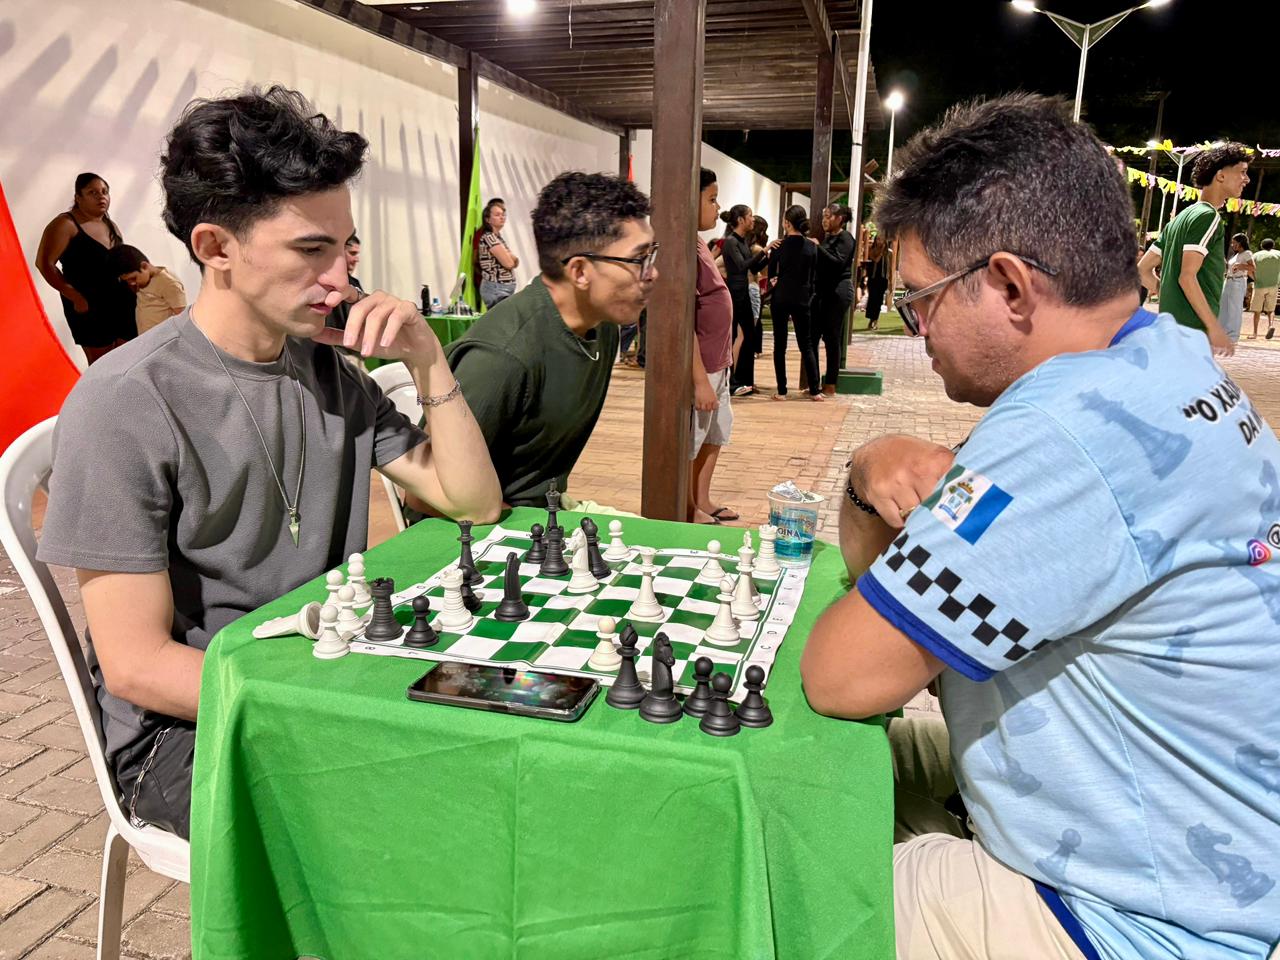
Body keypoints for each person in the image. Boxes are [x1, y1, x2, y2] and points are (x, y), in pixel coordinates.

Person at [800, 93, 1279, 960]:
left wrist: (870, 471)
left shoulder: (1067, 433)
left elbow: (840, 675)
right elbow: (894, 569)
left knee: (779, 870)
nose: (919, 330)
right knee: (839, 767)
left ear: (1011, 285)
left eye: (921, 301)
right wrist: (872, 470)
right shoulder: (1161, 355)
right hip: (1196, 836)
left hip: (1147, 919)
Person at [35, 86, 501, 840]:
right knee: (435, 818)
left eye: (346, 248)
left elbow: (474, 503)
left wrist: (427, 358)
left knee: (502, 764)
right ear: (216, 248)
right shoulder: (124, 400)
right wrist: (342, 691)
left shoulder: (327, 370)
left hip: (315, 678)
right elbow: (136, 666)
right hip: (183, 735)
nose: (342, 280)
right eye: (311, 251)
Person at [445, 172, 654, 508]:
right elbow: (427, 496)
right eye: (639, 259)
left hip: (548, 514)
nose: (652, 273)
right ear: (581, 272)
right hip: (491, 535)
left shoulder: (602, 328)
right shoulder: (502, 357)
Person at [1138, 142, 1251, 357]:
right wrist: (1214, 328)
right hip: (1192, 332)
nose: (1246, 179)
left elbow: (1141, 271)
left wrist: (1172, 298)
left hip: (1173, 330)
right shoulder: (1208, 217)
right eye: (1242, 172)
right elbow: (1187, 277)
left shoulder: (1180, 219)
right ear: (1221, 176)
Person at [34, 172, 137, 364]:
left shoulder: (111, 225)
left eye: (104, 192)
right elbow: (44, 263)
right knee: (101, 362)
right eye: (92, 192)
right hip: (88, 303)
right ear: (78, 198)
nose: (101, 197)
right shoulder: (66, 224)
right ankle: (99, 395)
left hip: (121, 301)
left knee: (126, 357)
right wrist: (73, 295)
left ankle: (124, 394)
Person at [688, 168, 738, 524]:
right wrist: (699, 380)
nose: (717, 207)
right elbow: (682, 321)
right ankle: (686, 505)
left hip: (717, 360)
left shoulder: (699, 243)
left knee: (716, 432)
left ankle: (701, 498)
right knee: (692, 439)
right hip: (702, 365)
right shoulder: (683, 250)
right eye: (711, 198)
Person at [766, 205, 823, 401]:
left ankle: (782, 391)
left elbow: (772, 272)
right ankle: (815, 390)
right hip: (802, 298)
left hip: (781, 297)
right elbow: (814, 274)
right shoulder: (811, 246)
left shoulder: (779, 246)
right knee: (806, 344)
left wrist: (778, 282)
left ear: (787, 223)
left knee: (779, 344)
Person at [720, 204, 767, 397]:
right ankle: (732, 382)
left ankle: (746, 380)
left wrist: (769, 256)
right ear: (740, 220)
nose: (753, 220)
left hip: (743, 292)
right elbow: (740, 267)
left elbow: (753, 270)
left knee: (749, 336)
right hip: (735, 293)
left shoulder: (742, 242)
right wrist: (764, 252)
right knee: (735, 337)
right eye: (750, 216)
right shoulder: (731, 242)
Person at [812, 203, 857, 393]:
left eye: (828, 216)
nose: (824, 220)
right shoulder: (827, 239)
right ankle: (814, 383)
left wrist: (817, 247)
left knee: (832, 336)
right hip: (822, 290)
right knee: (812, 336)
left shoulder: (845, 238)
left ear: (840, 218)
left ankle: (830, 382)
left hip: (838, 290)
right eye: (824, 215)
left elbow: (837, 263)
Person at [103, 244, 187, 336]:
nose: (131, 283)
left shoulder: (169, 284)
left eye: (133, 278)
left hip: (161, 339)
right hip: (145, 337)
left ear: (144, 266)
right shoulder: (141, 282)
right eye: (127, 280)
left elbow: (183, 317)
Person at [476, 197, 519, 309]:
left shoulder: (498, 238)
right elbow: (509, 263)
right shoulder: (489, 237)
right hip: (496, 288)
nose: (502, 217)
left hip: (502, 289)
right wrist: (510, 258)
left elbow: (516, 261)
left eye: (503, 214)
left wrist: (511, 259)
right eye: (497, 215)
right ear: (488, 219)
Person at [1220, 232, 1253, 344]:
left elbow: (1253, 267)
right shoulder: (1236, 255)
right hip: (1228, 281)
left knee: (1234, 310)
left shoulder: (1247, 253)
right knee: (1224, 308)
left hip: (1237, 282)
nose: (1232, 245)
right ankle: (1222, 334)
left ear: (1240, 243)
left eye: (1234, 243)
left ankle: (1233, 337)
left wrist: (1240, 266)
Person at [1249, 237, 1279, 339]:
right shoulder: (1278, 254)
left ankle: (1255, 333)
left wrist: (1255, 278)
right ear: (1273, 246)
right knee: (1271, 310)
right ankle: (1270, 325)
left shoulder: (1256, 255)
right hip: (1273, 285)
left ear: (1261, 246)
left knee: (1257, 310)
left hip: (1259, 285)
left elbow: (1250, 269)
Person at [865, 234, 891, 331]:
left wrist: (890, 281)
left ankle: (875, 321)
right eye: (878, 239)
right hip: (873, 279)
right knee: (872, 300)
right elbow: (876, 260)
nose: (880, 241)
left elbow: (890, 268)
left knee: (879, 301)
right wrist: (881, 252)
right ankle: (871, 320)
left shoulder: (888, 253)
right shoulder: (872, 250)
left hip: (883, 279)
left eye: (882, 240)